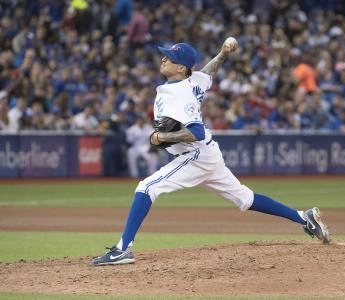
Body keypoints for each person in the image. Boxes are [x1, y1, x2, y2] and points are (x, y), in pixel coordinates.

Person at [92, 38, 330, 266]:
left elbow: (196, 132)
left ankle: (123, 249)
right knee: (245, 199)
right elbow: (209, 72)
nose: (163, 59)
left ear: (181, 68)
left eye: (169, 58)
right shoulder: (191, 80)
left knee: (146, 187)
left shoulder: (180, 93)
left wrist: (163, 137)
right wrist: (223, 53)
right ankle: (303, 217)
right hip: (208, 154)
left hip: (195, 154)